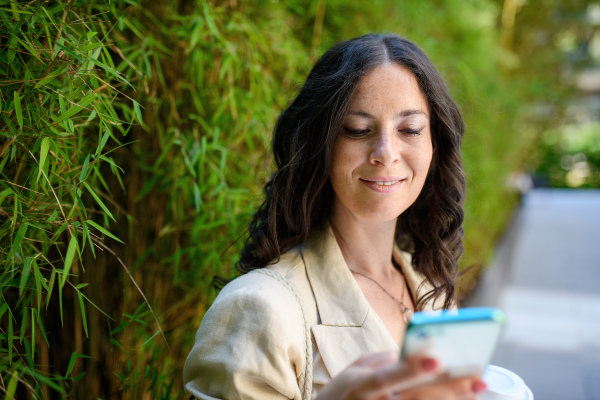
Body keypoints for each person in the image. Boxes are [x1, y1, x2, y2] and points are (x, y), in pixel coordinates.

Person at [183, 33, 487, 399]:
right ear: (318, 143)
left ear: (434, 144)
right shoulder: (259, 307)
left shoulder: (433, 292)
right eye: (358, 129)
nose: (386, 153)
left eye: (409, 129)